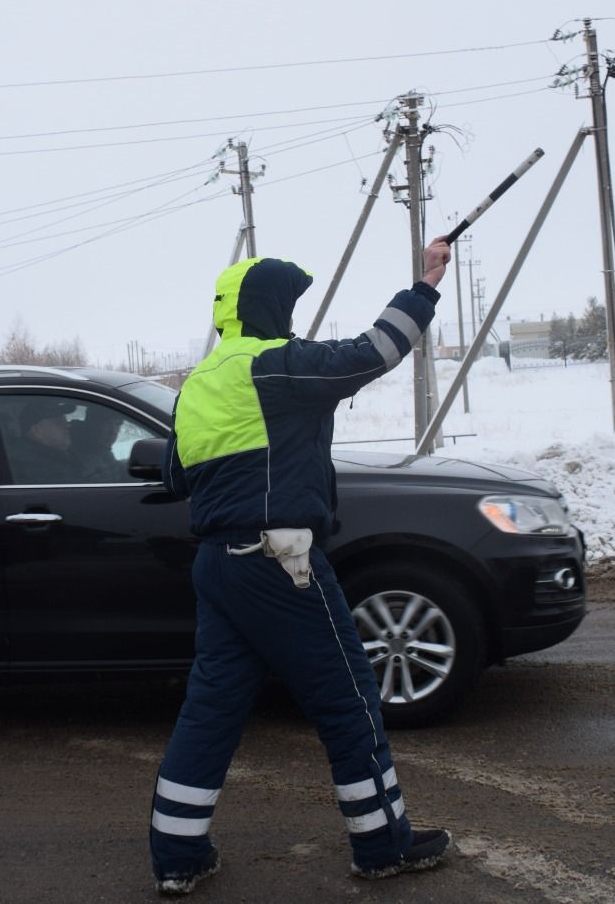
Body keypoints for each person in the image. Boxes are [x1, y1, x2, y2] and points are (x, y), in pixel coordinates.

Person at [148, 237, 453, 895]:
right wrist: (425, 287)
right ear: (268, 310)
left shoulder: (198, 381)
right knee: (348, 698)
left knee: (211, 710)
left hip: (219, 565)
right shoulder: (273, 366)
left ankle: (177, 855)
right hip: (281, 561)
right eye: (287, 308)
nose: (292, 322)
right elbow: (374, 352)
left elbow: (175, 474)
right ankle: (383, 845)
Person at [10, 398, 78, 484]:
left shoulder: (56, 456)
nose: (68, 425)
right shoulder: (33, 467)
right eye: (58, 422)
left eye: (66, 420)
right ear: (36, 430)